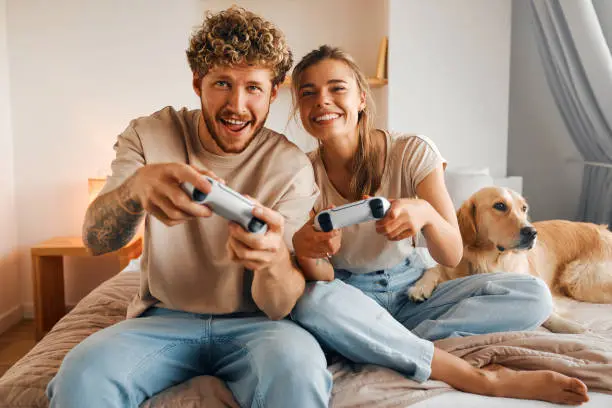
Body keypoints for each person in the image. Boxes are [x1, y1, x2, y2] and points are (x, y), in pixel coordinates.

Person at [46, 8, 332, 408]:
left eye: (253, 87)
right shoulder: (149, 135)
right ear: (197, 83)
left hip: (258, 327)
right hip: (162, 320)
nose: (236, 105)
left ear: (273, 91)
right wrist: (135, 191)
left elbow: (280, 304)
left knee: (301, 373)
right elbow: (96, 239)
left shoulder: (292, 168)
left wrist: (271, 261)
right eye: (221, 83)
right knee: (81, 376)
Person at [289, 45, 589, 405]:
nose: (322, 100)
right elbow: (318, 276)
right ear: (300, 108)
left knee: (534, 295)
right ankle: (472, 375)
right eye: (308, 93)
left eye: (337, 88)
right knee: (310, 303)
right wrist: (315, 252)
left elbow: (449, 255)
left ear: (362, 99)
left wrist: (426, 215)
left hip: (412, 289)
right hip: (350, 296)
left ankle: (385, 342)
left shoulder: (411, 151)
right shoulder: (300, 173)